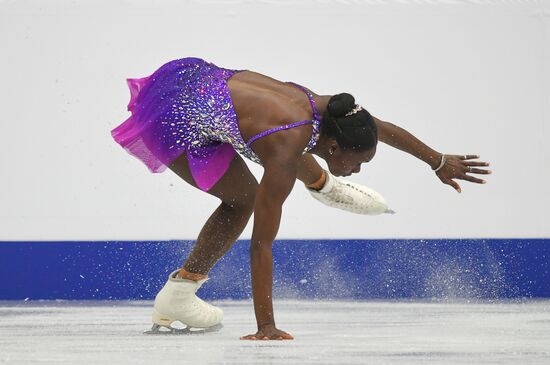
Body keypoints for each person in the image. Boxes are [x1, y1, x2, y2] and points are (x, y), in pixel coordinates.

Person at [111, 57, 491, 340]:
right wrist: (267, 327)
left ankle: (324, 184)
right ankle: (179, 294)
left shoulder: (331, 112)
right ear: (335, 145)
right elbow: (261, 244)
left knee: (282, 147)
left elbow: (383, 129)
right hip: (173, 112)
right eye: (357, 164)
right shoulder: (286, 146)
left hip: (191, 75)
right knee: (243, 200)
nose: (359, 170)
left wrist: (437, 161)